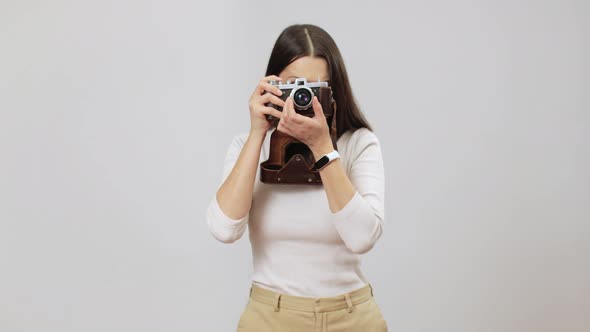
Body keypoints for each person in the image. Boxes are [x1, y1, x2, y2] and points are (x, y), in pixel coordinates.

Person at [206, 24, 387, 332]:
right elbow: (224, 229)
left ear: (334, 92)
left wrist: (323, 149)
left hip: (351, 317)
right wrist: (257, 133)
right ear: (272, 85)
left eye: (318, 88)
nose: (305, 99)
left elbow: (362, 238)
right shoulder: (250, 146)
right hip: (270, 316)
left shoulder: (358, 143)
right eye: (295, 86)